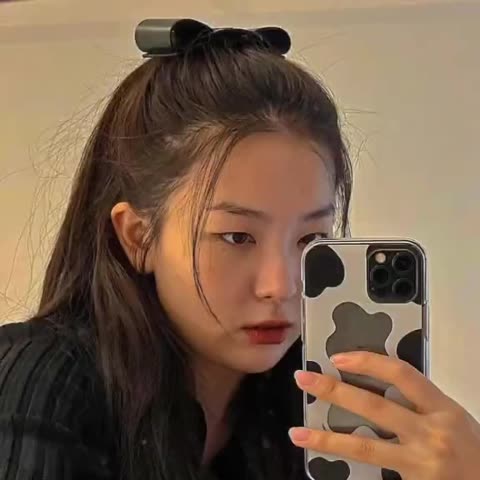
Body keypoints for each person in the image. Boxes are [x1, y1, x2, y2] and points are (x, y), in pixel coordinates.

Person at [0, 19, 479, 480]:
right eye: (237, 237)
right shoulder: (42, 382)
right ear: (138, 236)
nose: (281, 286)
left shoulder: (313, 406)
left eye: (310, 240)